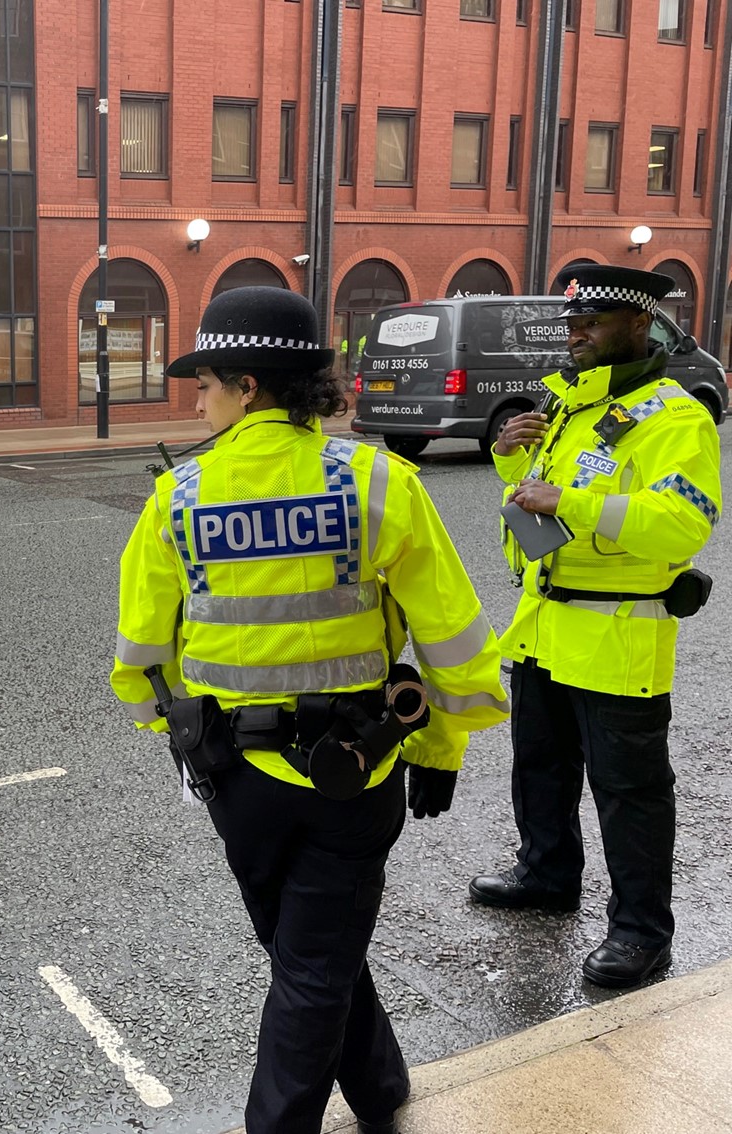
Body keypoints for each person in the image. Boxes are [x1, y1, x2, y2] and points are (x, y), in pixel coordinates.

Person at [111, 288, 509, 1134]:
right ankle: (380, 1087)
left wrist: (183, 741)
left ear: (249, 386)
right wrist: (440, 747)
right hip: (354, 769)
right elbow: (453, 641)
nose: (198, 399)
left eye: (208, 384)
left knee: (304, 956)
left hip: (234, 778)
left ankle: (328, 1107)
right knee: (313, 956)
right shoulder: (378, 481)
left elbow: (141, 659)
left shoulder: (175, 498)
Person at [469, 265, 722, 989]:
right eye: (571, 322)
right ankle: (547, 874)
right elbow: (534, 503)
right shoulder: (566, 403)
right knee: (539, 768)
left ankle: (642, 932)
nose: (574, 333)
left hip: (616, 635)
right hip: (546, 622)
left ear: (639, 325)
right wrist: (510, 456)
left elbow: (682, 524)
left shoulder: (673, 416)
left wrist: (570, 501)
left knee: (631, 792)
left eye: (593, 322)